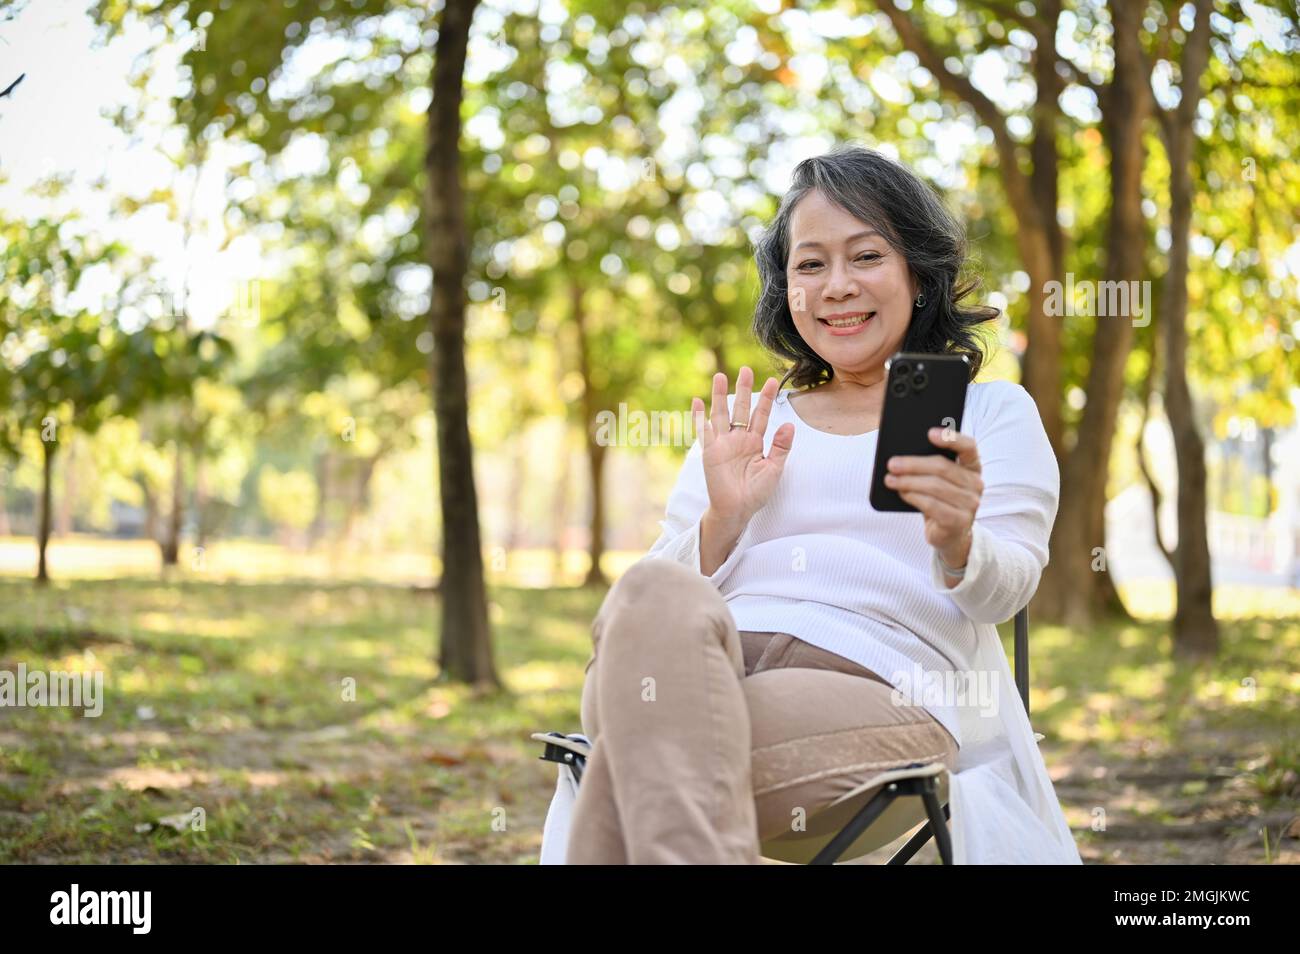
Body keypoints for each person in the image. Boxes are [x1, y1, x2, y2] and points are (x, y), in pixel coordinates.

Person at [562, 144, 1080, 864]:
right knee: (650, 592)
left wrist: (960, 539)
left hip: (876, 682)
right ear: (788, 290)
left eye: (866, 256)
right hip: (702, 660)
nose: (836, 285)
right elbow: (637, 616)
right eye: (810, 265)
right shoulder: (751, 423)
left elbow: (1007, 591)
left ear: (920, 278)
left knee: (641, 756)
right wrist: (722, 522)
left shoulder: (988, 412)